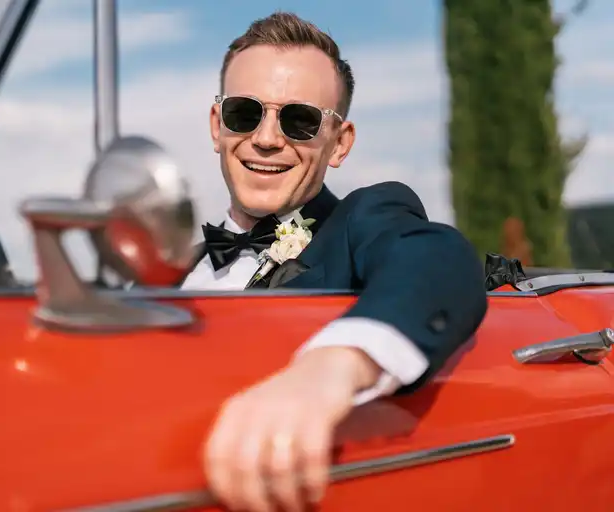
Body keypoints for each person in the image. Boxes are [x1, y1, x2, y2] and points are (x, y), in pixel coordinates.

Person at [179, 12, 488, 512]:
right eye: (244, 113)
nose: (265, 138)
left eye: (298, 120)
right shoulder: (176, 270)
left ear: (339, 143)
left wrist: (333, 368)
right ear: (218, 126)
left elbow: (439, 260)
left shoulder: (362, 220)